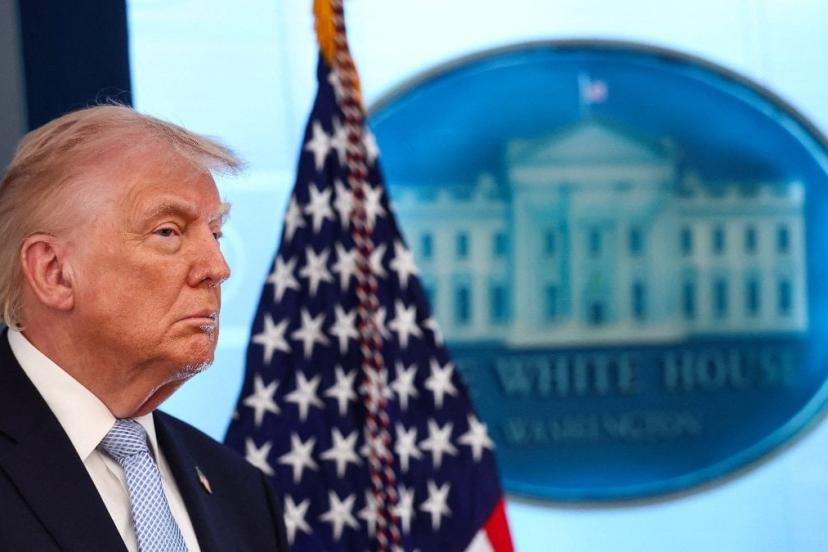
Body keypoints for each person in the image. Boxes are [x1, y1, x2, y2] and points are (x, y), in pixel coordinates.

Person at [0, 105, 289, 551]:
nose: (217, 268)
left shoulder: (243, 492)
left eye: (215, 233)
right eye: (168, 232)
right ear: (54, 272)